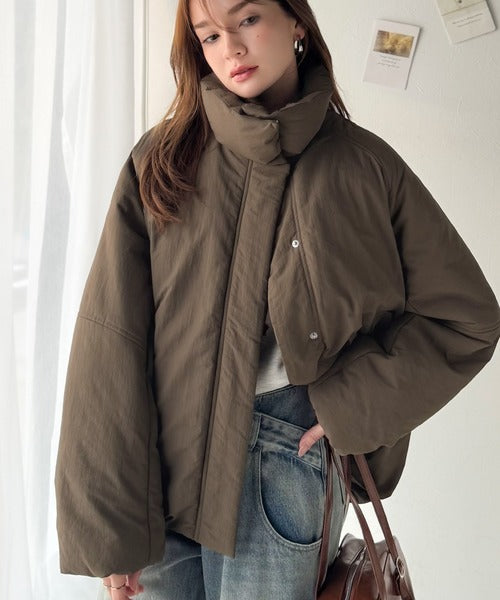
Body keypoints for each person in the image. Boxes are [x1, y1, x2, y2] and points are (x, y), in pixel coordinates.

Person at [54, 0, 500, 599]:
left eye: (247, 20)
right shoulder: (162, 161)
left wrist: (347, 406)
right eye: (209, 36)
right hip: (159, 467)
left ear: (296, 23)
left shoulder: (364, 167)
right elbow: (111, 337)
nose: (231, 49)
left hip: (285, 457)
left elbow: (467, 318)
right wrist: (110, 524)